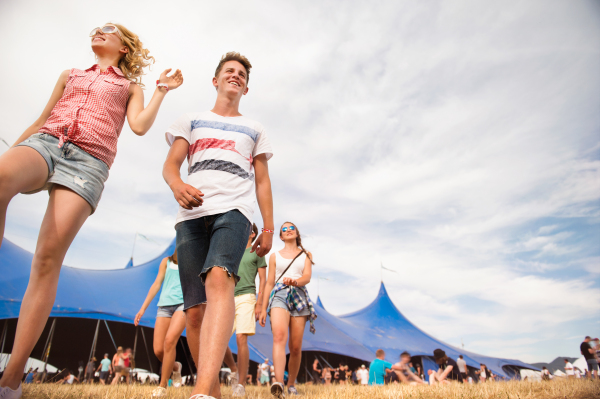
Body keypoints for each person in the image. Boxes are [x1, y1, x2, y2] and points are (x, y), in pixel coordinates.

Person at [0, 23, 184, 399]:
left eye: (109, 30)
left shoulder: (130, 86)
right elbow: (40, 120)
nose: (99, 31)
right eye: (97, 28)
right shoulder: (69, 75)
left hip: (88, 163)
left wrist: (161, 91)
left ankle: (12, 379)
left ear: (124, 48)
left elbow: (139, 126)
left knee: (47, 260)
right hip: (46, 142)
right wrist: (13, 150)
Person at [163, 51, 273, 399]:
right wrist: (177, 185)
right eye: (230, 70)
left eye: (241, 73)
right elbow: (171, 165)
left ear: (246, 87)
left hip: (235, 211)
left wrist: (268, 227)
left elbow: (262, 182)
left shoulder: (255, 129)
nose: (235, 75)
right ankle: (213, 391)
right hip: (191, 216)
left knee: (218, 278)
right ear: (216, 80)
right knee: (194, 313)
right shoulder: (191, 119)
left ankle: (201, 393)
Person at [259, 222, 316, 397]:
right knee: (279, 337)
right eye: (284, 229)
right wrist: (262, 308)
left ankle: (291, 384)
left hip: (299, 295)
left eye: (291, 228)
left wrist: (295, 282)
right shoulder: (274, 256)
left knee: (296, 346)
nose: (288, 230)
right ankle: (278, 382)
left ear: (296, 233)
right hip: (279, 295)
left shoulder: (306, 254)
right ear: (281, 236)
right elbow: (269, 283)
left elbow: (306, 277)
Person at [134, 250, 185, 397]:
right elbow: (157, 284)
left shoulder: (191, 259)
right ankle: (176, 367)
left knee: (170, 341)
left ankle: (162, 386)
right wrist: (142, 309)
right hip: (164, 306)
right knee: (158, 350)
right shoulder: (166, 261)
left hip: (182, 305)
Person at [230, 223, 268, 397]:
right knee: (219, 341)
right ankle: (233, 370)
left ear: (252, 234)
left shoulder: (257, 252)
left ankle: (241, 384)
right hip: (228, 298)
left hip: (247, 296)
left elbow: (263, 279)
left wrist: (260, 303)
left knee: (240, 338)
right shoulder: (232, 252)